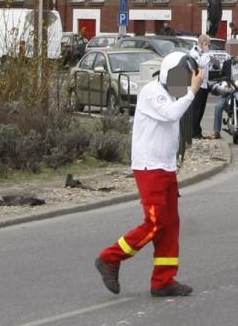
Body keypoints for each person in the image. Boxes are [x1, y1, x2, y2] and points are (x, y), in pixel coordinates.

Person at [95, 52, 202, 297]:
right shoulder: (152, 92)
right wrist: (192, 92)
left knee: (170, 224)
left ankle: (163, 280)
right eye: (183, 78)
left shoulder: (171, 93)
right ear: (170, 74)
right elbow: (171, 114)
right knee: (155, 224)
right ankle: (110, 258)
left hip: (165, 167)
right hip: (149, 167)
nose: (185, 84)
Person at [184, 35, 213, 138]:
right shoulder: (194, 52)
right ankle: (193, 132)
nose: (209, 45)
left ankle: (197, 131)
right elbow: (201, 63)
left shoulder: (205, 53)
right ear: (203, 43)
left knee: (201, 110)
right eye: (208, 43)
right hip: (197, 84)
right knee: (195, 110)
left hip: (204, 84)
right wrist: (206, 52)